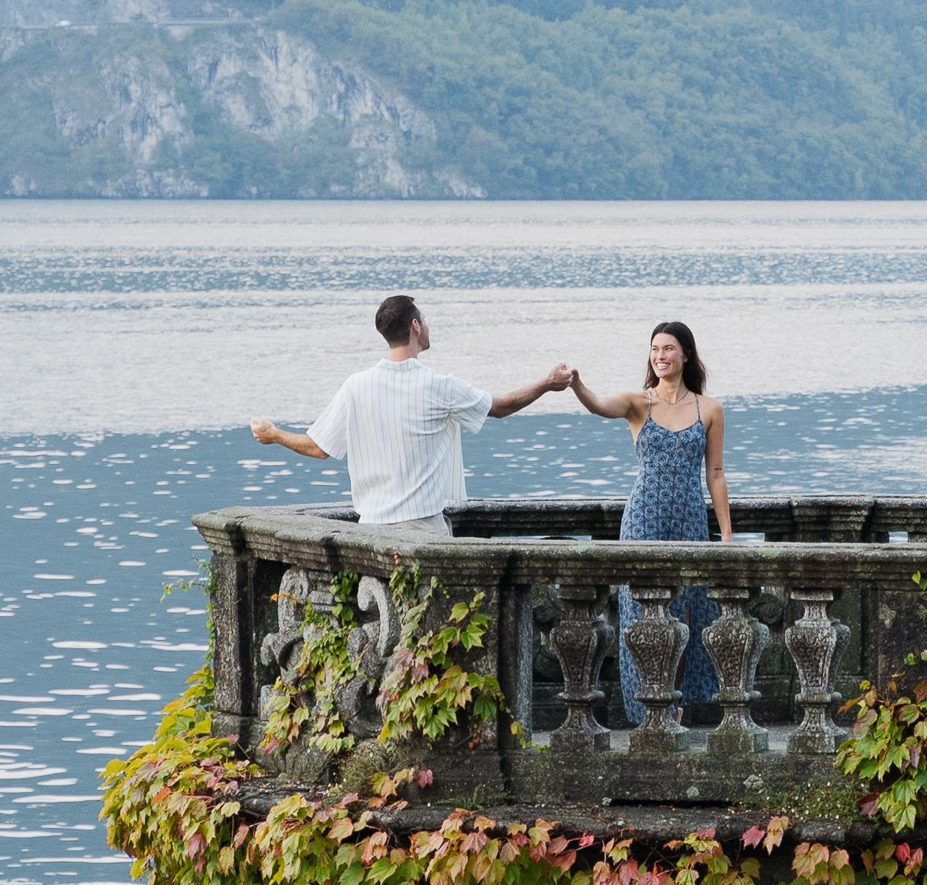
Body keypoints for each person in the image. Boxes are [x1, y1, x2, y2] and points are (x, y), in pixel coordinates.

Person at [251, 294, 568, 527]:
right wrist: (547, 383)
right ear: (415, 326)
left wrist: (275, 434)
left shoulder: (355, 386)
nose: (428, 326)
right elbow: (500, 407)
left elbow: (318, 447)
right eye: (425, 320)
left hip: (371, 531)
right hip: (423, 529)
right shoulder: (440, 386)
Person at [566, 321, 732, 723]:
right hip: (643, 517)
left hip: (690, 518)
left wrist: (726, 534)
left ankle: (675, 703)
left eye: (669, 348)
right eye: (655, 349)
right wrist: (576, 384)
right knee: (642, 615)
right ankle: (647, 707)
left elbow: (715, 474)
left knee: (687, 613)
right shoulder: (639, 403)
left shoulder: (708, 408)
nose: (660, 356)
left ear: (686, 354)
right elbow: (598, 405)